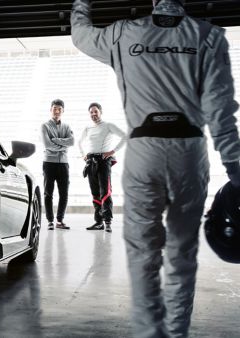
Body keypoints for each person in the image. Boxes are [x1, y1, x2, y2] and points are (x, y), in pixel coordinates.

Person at [71, 1, 240, 337]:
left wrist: (81, 5)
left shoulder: (123, 33)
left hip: (144, 149)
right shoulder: (209, 37)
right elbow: (221, 110)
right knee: (181, 253)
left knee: (143, 253)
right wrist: (235, 168)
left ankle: (151, 333)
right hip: (189, 152)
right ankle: (176, 334)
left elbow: (80, 35)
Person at [78, 103, 126, 233]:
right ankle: (99, 222)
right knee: (95, 193)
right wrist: (83, 155)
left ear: (101, 112)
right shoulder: (88, 128)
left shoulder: (108, 125)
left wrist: (112, 152)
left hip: (104, 161)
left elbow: (125, 136)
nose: (93, 114)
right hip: (91, 162)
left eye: (95, 111)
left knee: (105, 191)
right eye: (91, 112)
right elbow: (79, 142)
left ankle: (108, 221)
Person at [41, 99, 74, 230]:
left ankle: (59, 220)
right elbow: (47, 144)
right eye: (55, 108)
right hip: (49, 163)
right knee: (48, 193)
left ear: (63, 111)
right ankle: (50, 221)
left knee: (64, 193)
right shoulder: (44, 126)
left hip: (63, 164)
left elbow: (71, 142)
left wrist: (55, 141)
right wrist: (63, 145)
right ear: (51, 110)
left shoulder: (67, 126)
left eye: (59, 109)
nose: (57, 111)